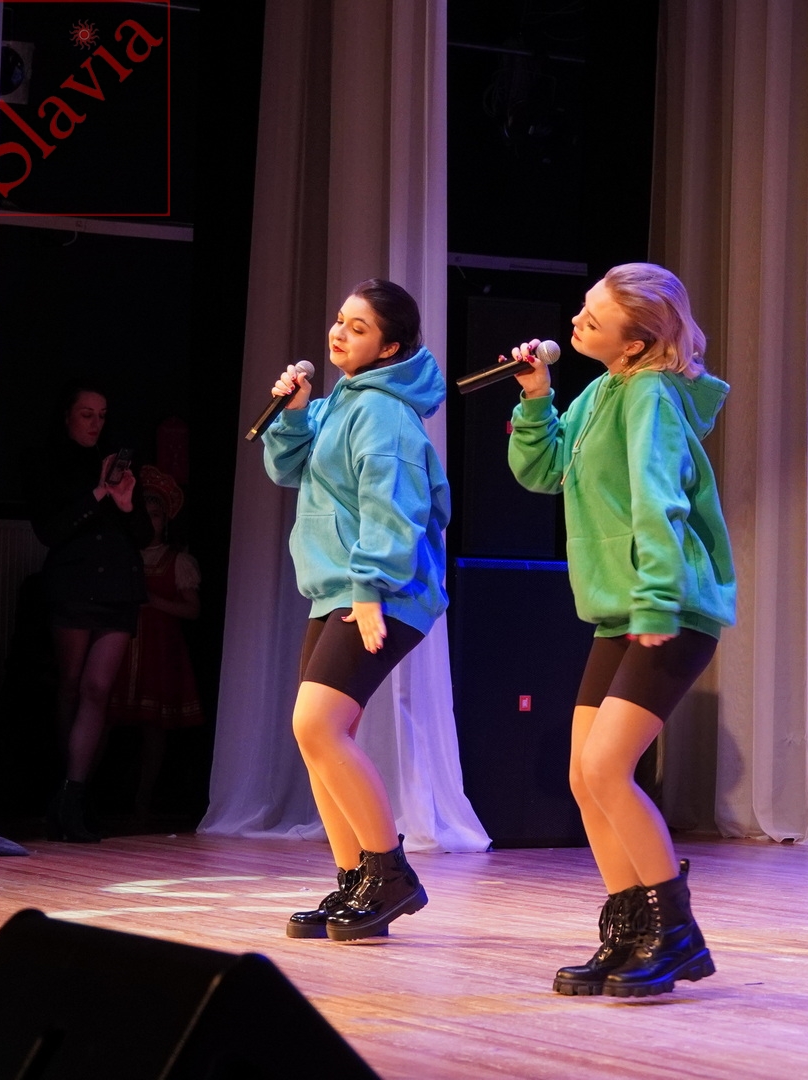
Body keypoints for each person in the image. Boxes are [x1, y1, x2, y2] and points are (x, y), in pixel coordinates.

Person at [508, 263, 736, 998]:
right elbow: (544, 471)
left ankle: (675, 932)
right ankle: (629, 929)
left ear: (635, 343)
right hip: (622, 609)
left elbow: (658, 500)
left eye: (595, 317)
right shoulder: (603, 390)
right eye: (583, 308)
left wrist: (658, 601)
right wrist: (536, 399)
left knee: (608, 768)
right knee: (585, 776)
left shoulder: (650, 396)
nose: (577, 321)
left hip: (668, 607)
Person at [267, 279, 449, 942]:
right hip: (337, 586)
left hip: (382, 588)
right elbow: (288, 469)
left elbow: (393, 507)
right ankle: (355, 881)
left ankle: (389, 874)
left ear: (390, 347)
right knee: (316, 735)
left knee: (318, 725)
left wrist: (370, 588)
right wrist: (294, 413)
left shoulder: (383, 412)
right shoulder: (342, 401)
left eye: (359, 327)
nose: (340, 333)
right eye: (340, 320)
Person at [31, 385, 151, 842]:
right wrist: (98, 492)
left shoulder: (115, 461)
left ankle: (75, 794)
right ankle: (63, 792)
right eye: (86, 414)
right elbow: (50, 530)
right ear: (67, 416)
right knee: (70, 684)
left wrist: (125, 502)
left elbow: (143, 535)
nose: (95, 423)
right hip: (75, 586)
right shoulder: (48, 461)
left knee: (97, 688)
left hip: (118, 587)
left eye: (101, 415)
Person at [108, 465, 204, 823]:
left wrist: (153, 601)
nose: (150, 521)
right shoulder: (122, 555)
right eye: (143, 514)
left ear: (166, 521)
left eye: (156, 515)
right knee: (107, 717)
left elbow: (193, 610)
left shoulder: (176, 561)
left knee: (153, 726)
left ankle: (143, 799)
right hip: (122, 649)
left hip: (158, 653)